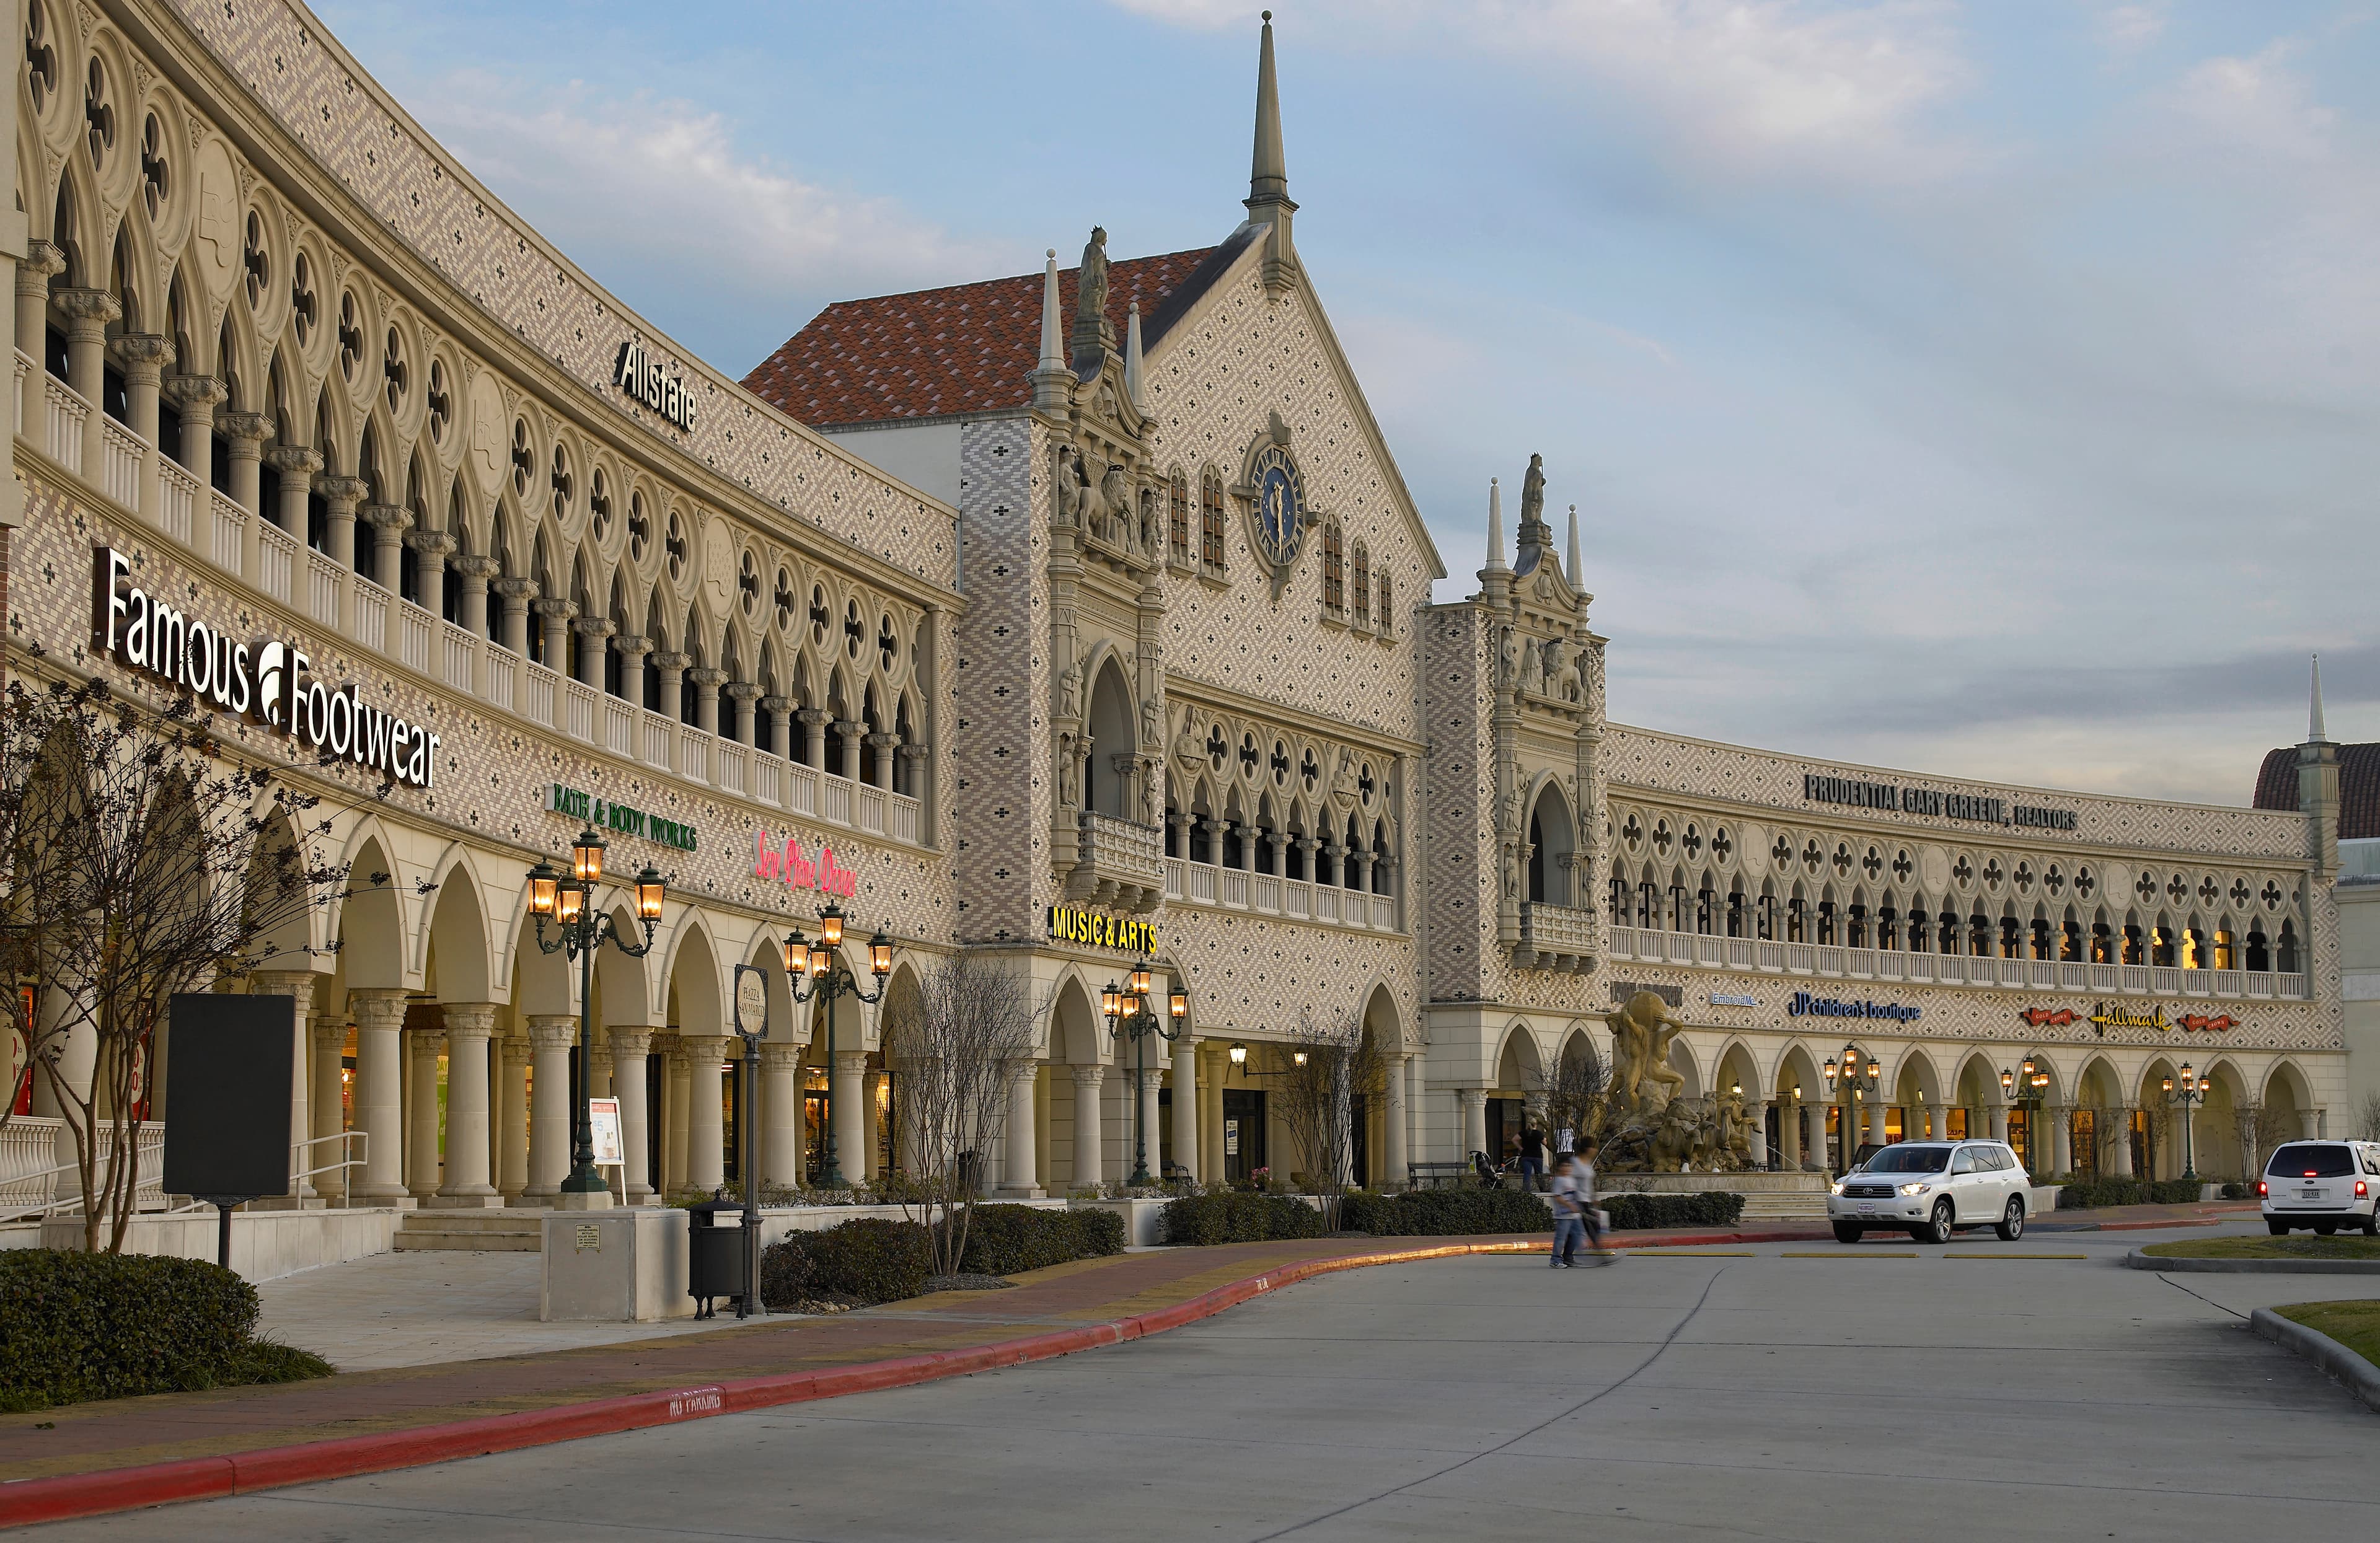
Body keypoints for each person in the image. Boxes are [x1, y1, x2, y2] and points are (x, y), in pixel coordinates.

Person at [1549, 1153, 1587, 1268]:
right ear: (1559, 1167)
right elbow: (1557, 1196)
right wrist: (1569, 1206)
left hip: (1574, 1215)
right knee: (1561, 1237)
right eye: (1565, 1166)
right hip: (1564, 1215)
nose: (1568, 1168)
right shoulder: (1560, 1180)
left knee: (1578, 1234)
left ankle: (1568, 1257)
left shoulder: (1571, 1180)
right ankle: (1555, 1260)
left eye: (1569, 1166)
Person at [1519, 1122, 1546, 1190]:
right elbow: (1545, 1143)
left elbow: (1514, 1139)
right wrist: (1545, 1139)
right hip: (1537, 1156)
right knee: (1539, 1173)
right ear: (1536, 1125)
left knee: (1527, 1174)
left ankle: (1526, 1190)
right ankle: (1542, 1189)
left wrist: (1520, 1148)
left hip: (1526, 1155)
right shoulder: (1539, 1133)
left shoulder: (1524, 1133)